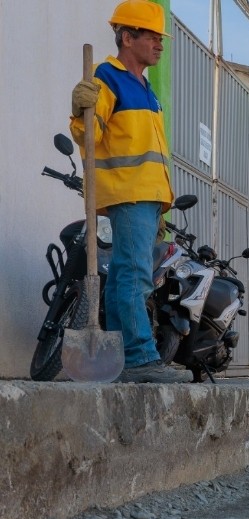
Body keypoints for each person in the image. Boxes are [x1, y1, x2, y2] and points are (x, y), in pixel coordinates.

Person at [70, 0, 189, 383]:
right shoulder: (107, 77)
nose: (160, 44)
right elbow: (89, 136)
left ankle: (121, 360)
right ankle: (140, 357)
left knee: (124, 273)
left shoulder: (146, 89)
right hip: (128, 193)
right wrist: (79, 110)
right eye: (152, 36)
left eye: (160, 38)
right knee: (135, 276)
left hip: (147, 198)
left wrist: (160, 207)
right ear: (127, 37)